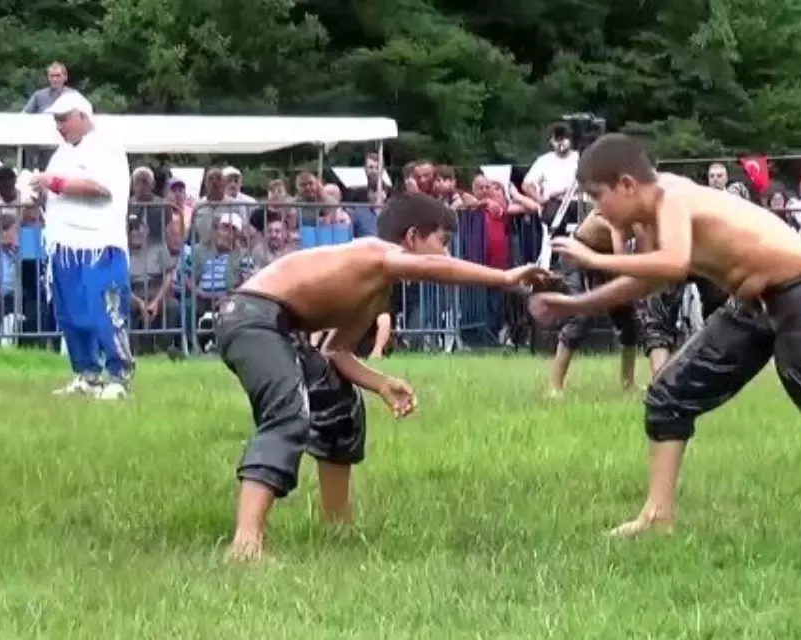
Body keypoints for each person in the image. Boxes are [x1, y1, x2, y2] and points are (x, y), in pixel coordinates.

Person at [528, 133, 801, 537]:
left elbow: (672, 265)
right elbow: (648, 281)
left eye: (598, 199)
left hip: (800, 294)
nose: (597, 213)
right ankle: (658, 518)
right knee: (668, 395)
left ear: (627, 185)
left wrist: (593, 256)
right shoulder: (652, 215)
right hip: (753, 304)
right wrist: (572, 305)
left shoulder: (672, 197)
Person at [214, 192, 551, 561]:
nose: (448, 255)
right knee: (289, 414)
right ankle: (245, 544)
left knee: (339, 402)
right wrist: (503, 276)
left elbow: (336, 352)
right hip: (250, 317)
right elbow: (428, 268)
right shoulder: (374, 252)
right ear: (411, 238)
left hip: (275, 326)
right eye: (444, 242)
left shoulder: (376, 293)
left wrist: (380, 384)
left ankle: (337, 527)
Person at [35, 91, 134, 400]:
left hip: (99, 244)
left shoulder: (107, 147)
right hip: (64, 245)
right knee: (71, 314)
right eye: (56, 121)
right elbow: (55, 191)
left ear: (82, 116)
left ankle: (119, 376)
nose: (60, 127)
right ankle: (86, 373)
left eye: (64, 119)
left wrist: (54, 183)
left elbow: (100, 187)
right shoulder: (61, 153)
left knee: (105, 310)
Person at [545, 210, 639, 396]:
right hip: (577, 254)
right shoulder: (613, 210)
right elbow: (622, 262)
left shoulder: (646, 213)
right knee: (580, 317)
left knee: (629, 321)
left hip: (605, 257)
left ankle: (628, 384)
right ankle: (555, 387)